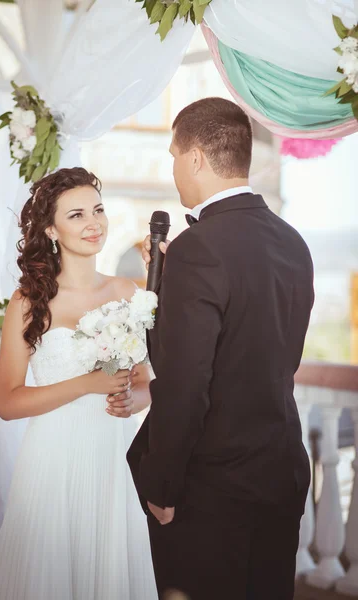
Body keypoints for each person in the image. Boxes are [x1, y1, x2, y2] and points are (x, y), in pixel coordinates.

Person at [127, 98, 315, 600]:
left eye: (172, 155)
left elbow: (186, 381)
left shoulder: (198, 249)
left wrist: (162, 484)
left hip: (212, 487)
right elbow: (262, 350)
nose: (173, 168)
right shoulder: (293, 242)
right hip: (280, 473)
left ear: (194, 159)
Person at [0, 167, 158, 600]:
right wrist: (87, 384)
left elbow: (147, 384)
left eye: (97, 210)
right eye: (76, 215)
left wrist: (129, 400)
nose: (93, 223)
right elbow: (8, 401)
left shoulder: (126, 292)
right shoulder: (28, 303)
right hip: (52, 463)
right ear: (51, 229)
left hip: (113, 461)